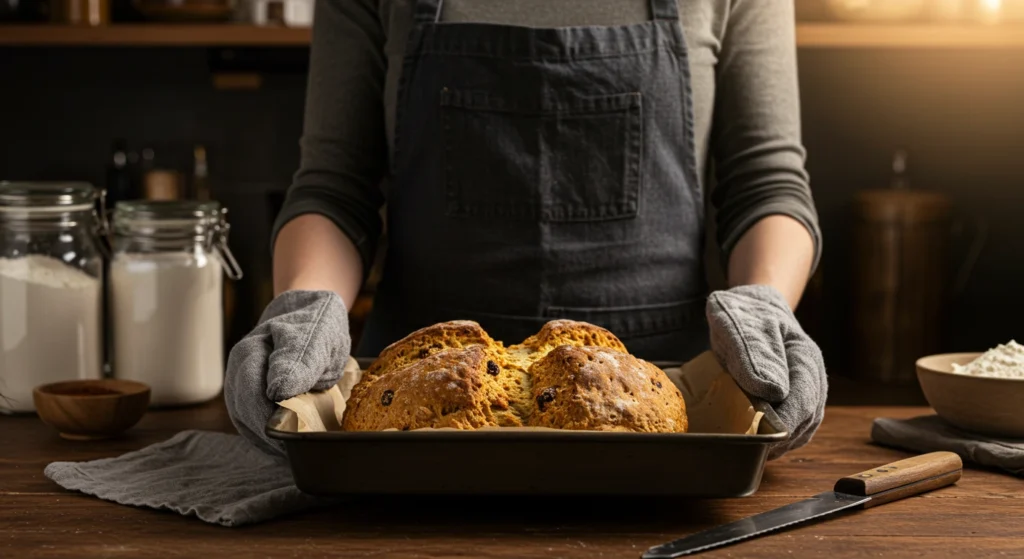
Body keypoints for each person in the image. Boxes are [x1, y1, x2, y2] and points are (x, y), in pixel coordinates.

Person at [225, 0, 827, 459]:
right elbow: (335, 187)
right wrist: (305, 308)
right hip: (412, 423)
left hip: (666, 417)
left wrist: (762, 308)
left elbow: (766, 183)